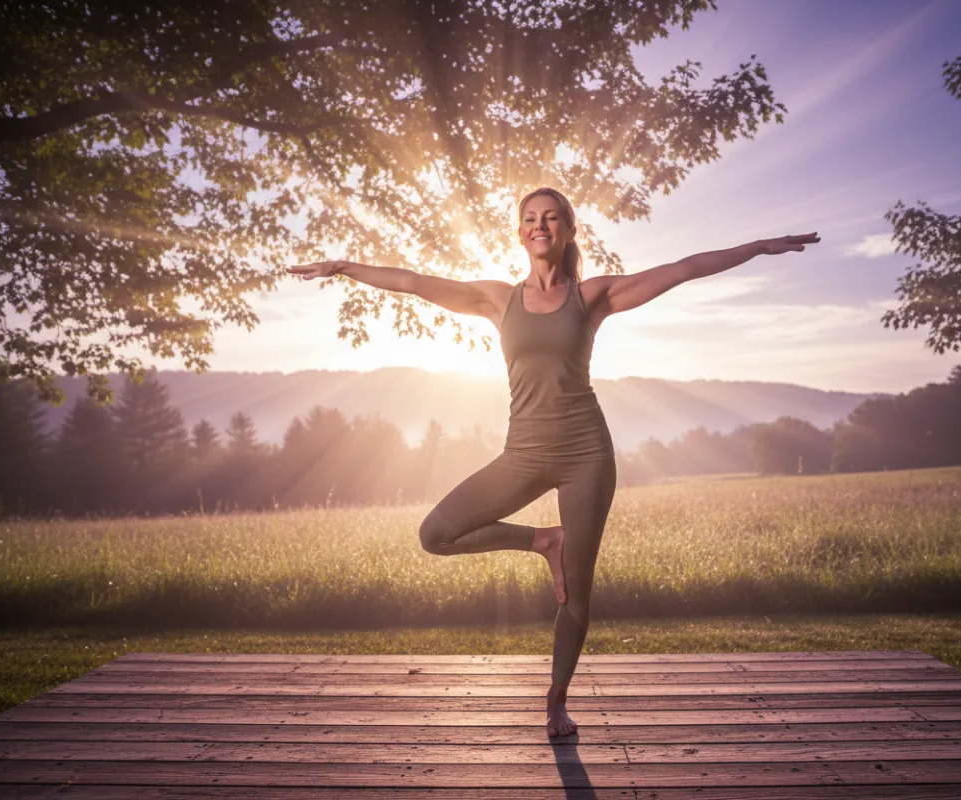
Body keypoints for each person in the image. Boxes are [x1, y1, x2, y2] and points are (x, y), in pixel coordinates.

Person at [287, 187, 819, 737]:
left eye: (550, 218)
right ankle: (544, 541)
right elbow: (416, 283)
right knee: (435, 534)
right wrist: (346, 267)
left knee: (580, 596)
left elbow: (683, 267)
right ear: (520, 234)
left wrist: (758, 247)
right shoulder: (498, 299)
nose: (539, 226)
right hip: (522, 453)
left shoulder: (591, 297)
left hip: (586, 454)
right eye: (529, 219)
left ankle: (556, 702)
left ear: (566, 230)